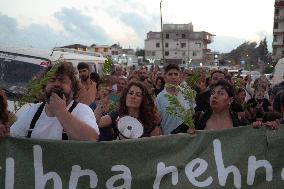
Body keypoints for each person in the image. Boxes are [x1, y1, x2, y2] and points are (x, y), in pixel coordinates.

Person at [10, 62, 100, 141]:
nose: (56, 84)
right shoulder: (32, 111)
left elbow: (92, 139)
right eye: (52, 80)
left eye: (62, 80)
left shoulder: (82, 110)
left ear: (73, 87)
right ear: (44, 86)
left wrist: (61, 112)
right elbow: (12, 138)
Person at [156, 64, 193, 135]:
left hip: (187, 138)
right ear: (165, 77)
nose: (173, 77)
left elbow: (192, 114)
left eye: (176, 74)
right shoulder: (159, 98)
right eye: (170, 74)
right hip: (168, 138)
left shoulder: (187, 93)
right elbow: (158, 122)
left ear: (179, 77)